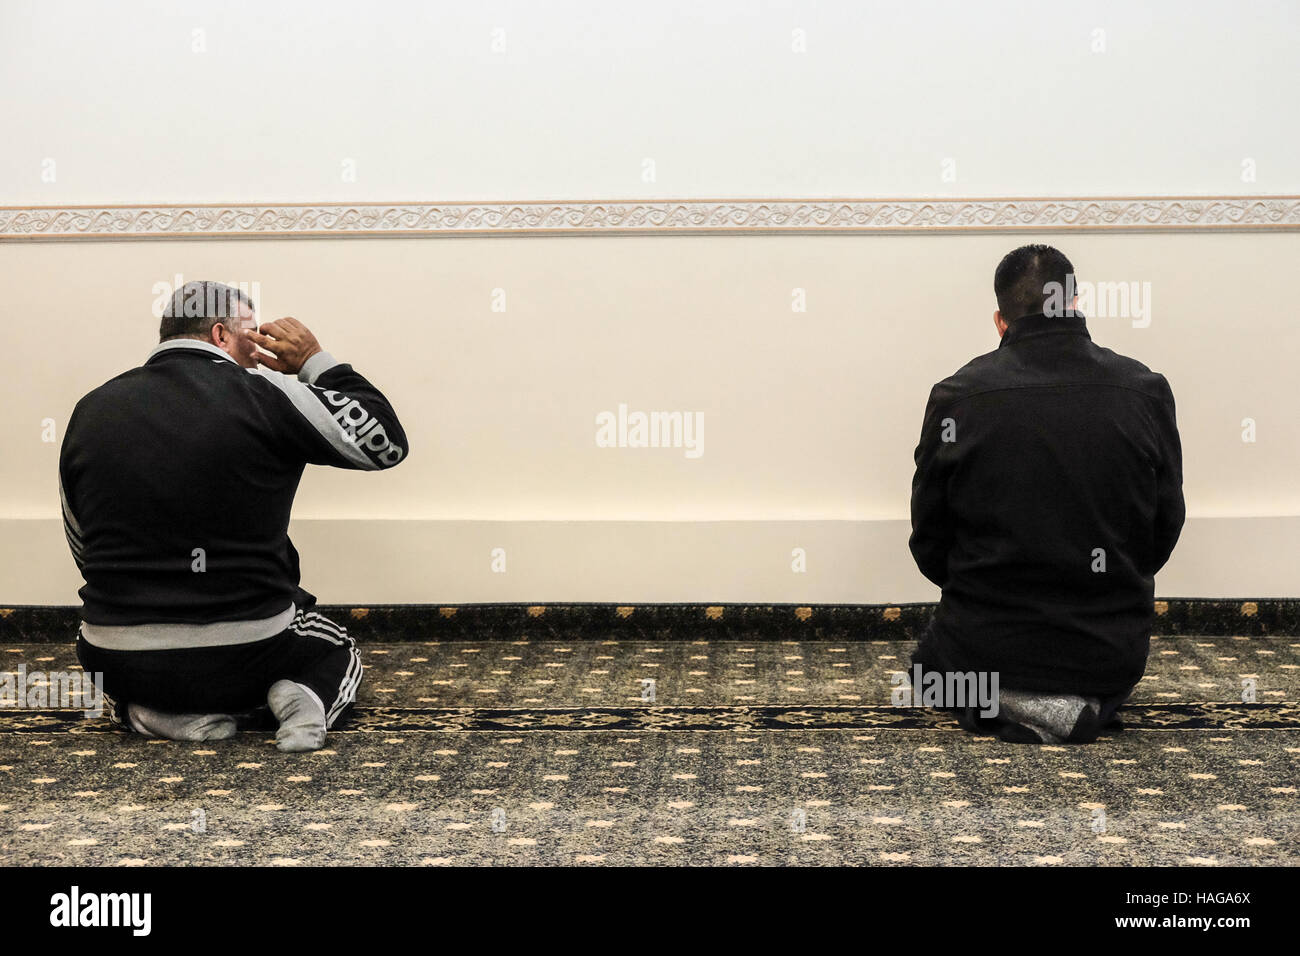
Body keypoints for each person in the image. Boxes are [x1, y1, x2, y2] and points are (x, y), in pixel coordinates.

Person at [59, 281, 409, 752]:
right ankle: (306, 697)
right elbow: (383, 441)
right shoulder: (267, 394)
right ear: (221, 335)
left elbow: (81, 539)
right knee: (337, 645)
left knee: (127, 666)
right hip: (247, 655)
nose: (262, 348)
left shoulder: (90, 408)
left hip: (114, 657)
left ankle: (147, 710)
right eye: (254, 335)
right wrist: (313, 360)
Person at [908, 245, 1184, 743]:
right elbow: (1165, 527)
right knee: (1090, 673)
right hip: (1109, 649)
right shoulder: (1145, 389)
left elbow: (929, 540)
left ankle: (1021, 703)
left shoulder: (956, 397)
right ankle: (1077, 702)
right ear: (1075, 304)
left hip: (987, 642)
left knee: (926, 674)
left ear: (999, 320)